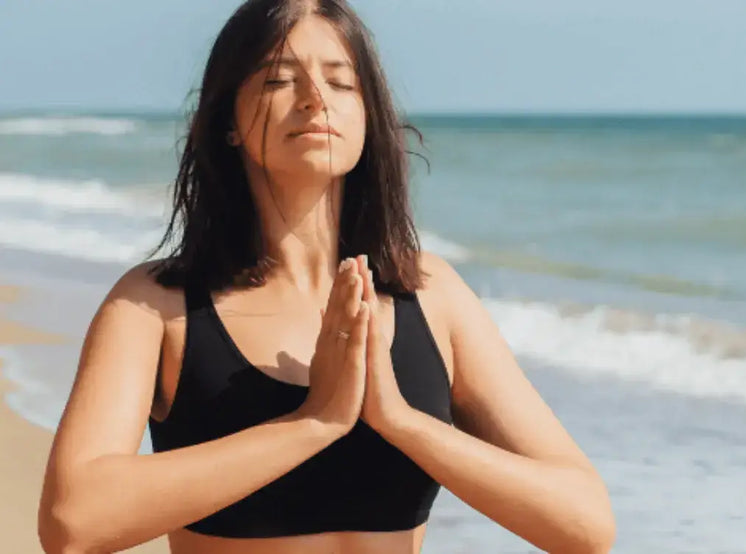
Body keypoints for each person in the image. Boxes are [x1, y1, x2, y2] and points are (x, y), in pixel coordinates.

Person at [36, 1, 615, 552]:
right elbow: (72, 523)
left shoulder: (431, 296)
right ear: (228, 121)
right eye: (278, 80)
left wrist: (402, 422)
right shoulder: (156, 308)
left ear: (368, 116)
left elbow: (585, 526)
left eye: (341, 82)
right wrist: (312, 423)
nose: (316, 99)